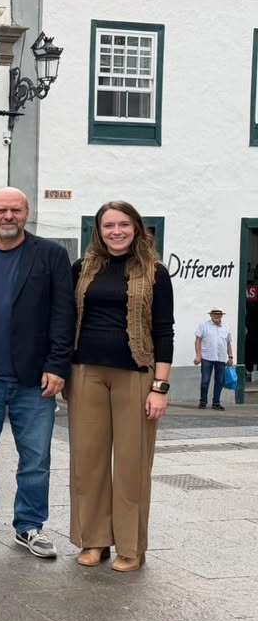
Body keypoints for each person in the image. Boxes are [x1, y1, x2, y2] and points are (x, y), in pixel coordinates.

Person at [0, 188, 75, 559]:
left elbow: (63, 314)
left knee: (36, 458)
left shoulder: (51, 255)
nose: (8, 216)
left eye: (16, 210)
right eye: (1, 210)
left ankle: (30, 525)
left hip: (35, 379)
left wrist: (57, 365)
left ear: (27, 212)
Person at [69, 200, 173, 572]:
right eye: (109, 225)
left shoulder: (155, 272)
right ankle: (94, 540)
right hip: (86, 372)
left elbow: (164, 331)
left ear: (136, 228)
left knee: (132, 464)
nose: (116, 231)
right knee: (88, 462)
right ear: (98, 231)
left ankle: (131, 546)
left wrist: (160, 387)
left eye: (124, 225)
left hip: (136, 374)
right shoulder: (82, 269)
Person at [194, 308, 234, 410]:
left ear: (221, 316)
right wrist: (198, 355)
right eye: (214, 314)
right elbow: (198, 341)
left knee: (219, 381)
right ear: (211, 315)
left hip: (221, 358)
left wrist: (230, 356)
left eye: (219, 314)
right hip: (207, 357)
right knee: (205, 380)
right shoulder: (204, 325)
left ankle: (216, 403)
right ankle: (203, 401)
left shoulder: (226, 327)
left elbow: (228, 343)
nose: (216, 316)